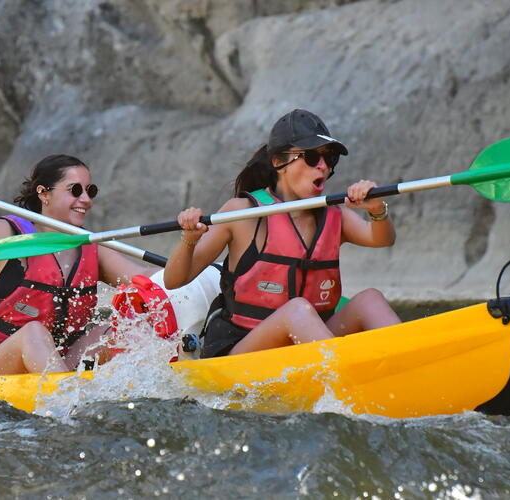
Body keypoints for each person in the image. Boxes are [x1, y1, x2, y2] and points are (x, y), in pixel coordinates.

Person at [163, 109, 401, 358]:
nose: (322, 166)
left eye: (329, 158)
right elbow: (174, 280)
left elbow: (382, 239)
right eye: (311, 157)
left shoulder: (335, 215)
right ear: (278, 162)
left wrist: (376, 209)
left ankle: (410, 363)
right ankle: (349, 372)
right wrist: (189, 240)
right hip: (243, 351)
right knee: (297, 310)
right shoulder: (242, 213)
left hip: (310, 343)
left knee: (370, 300)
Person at [0, 154, 154, 376]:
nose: (86, 199)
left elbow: (146, 278)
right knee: (32, 332)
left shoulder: (91, 246)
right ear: (43, 193)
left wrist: (179, 259)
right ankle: (66, 395)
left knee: (124, 328)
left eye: (90, 191)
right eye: (75, 190)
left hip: (60, 363)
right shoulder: (6, 234)